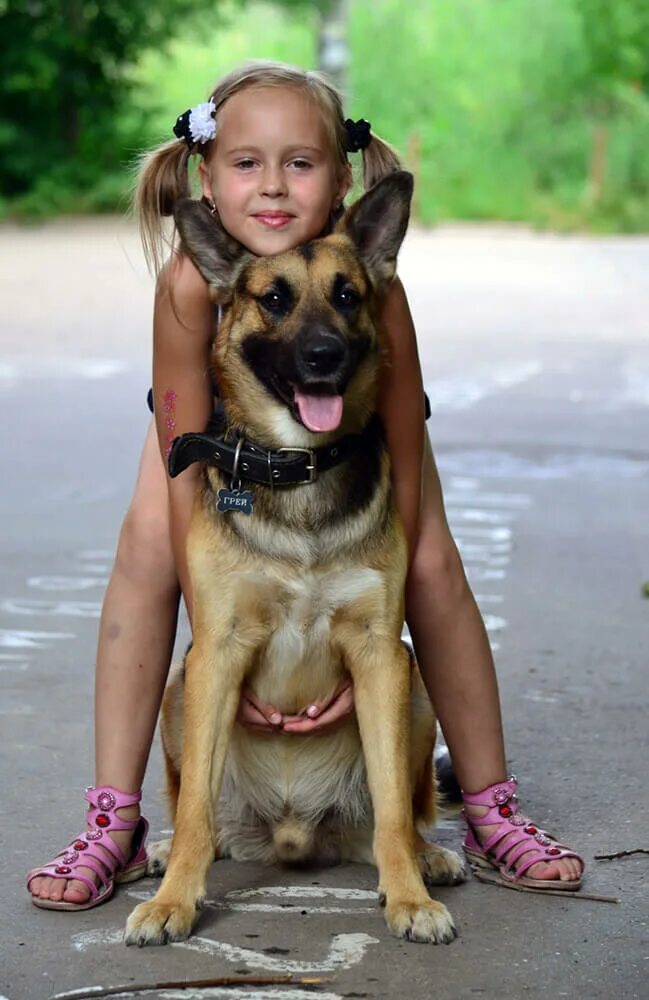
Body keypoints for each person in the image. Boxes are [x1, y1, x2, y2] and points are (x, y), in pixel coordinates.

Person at [26, 60, 583, 910]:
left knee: (432, 562)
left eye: (300, 163)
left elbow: (403, 450)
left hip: (361, 435)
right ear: (206, 177)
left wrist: (372, 619)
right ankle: (115, 819)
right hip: (210, 427)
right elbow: (180, 454)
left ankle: (487, 807)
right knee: (146, 550)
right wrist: (219, 630)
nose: (274, 187)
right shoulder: (191, 282)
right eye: (247, 163)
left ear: (343, 178)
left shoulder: (370, 285)